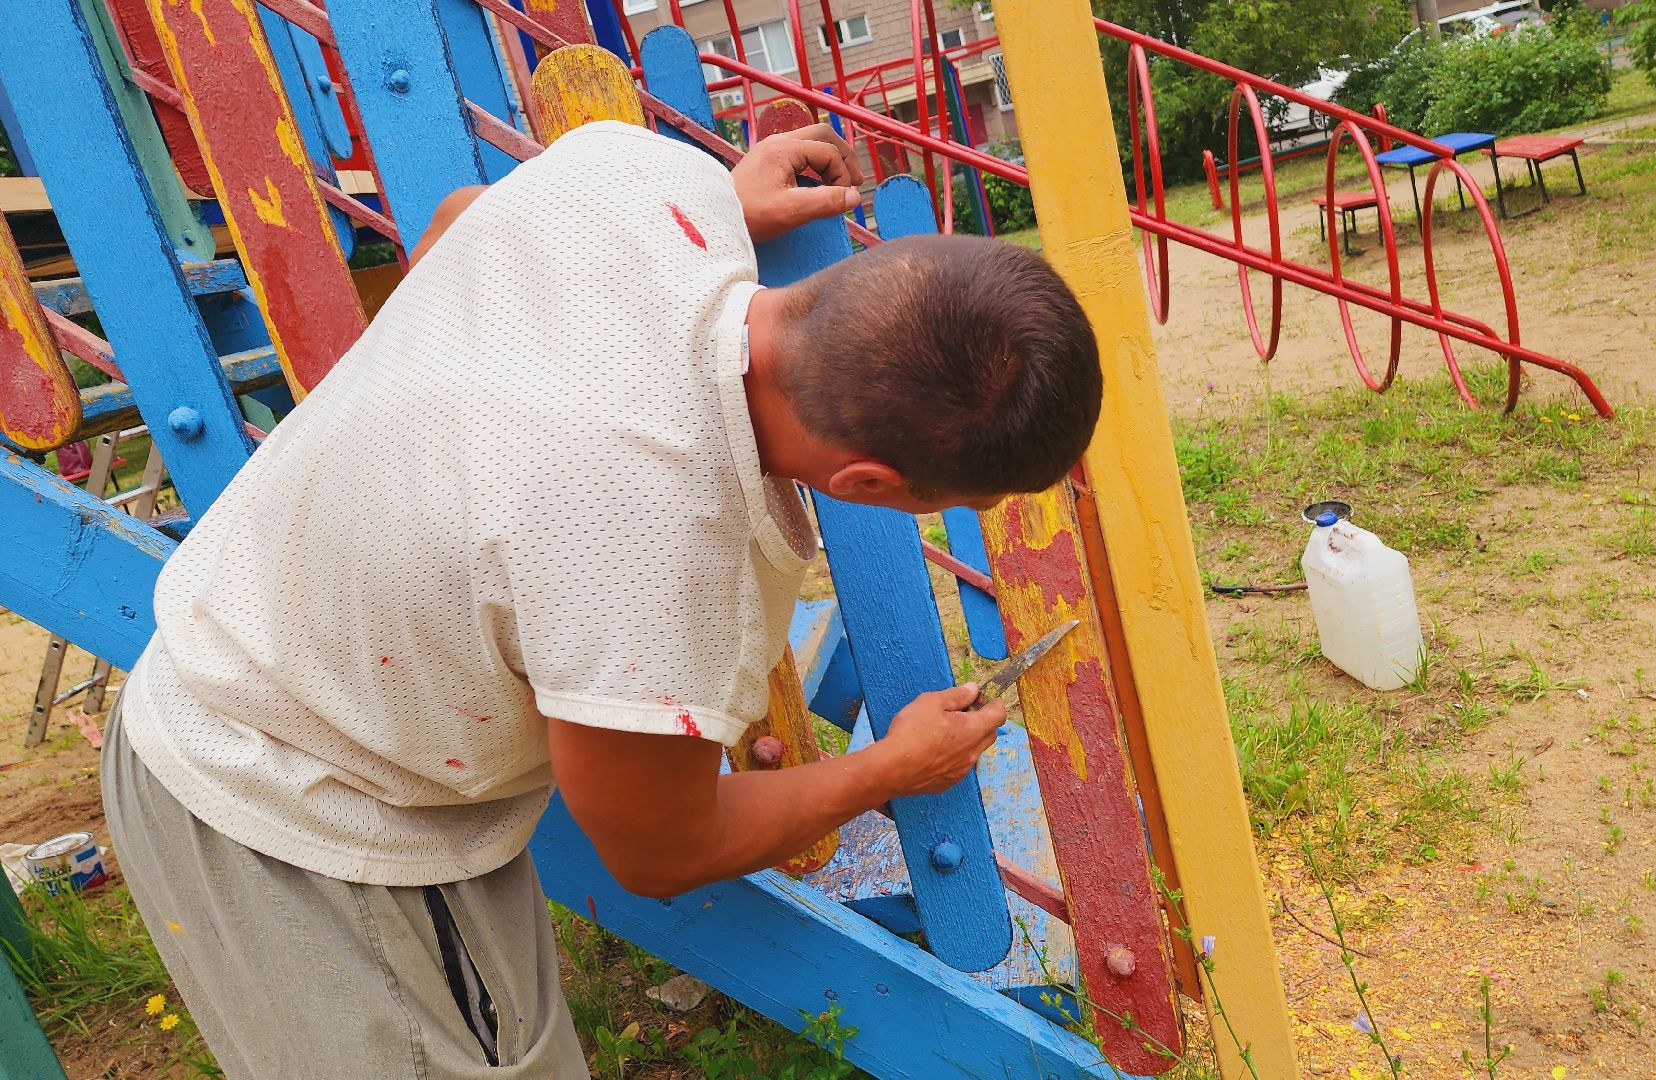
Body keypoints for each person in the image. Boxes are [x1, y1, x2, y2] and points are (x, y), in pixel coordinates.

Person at [100, 119, 1101, 1078]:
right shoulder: (652, 552)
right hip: (299, 812)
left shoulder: (636, 180)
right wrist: (888, 768)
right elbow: (664, 847)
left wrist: (719, 207)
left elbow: (458, 219)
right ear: (867, 486)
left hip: (258, 663)